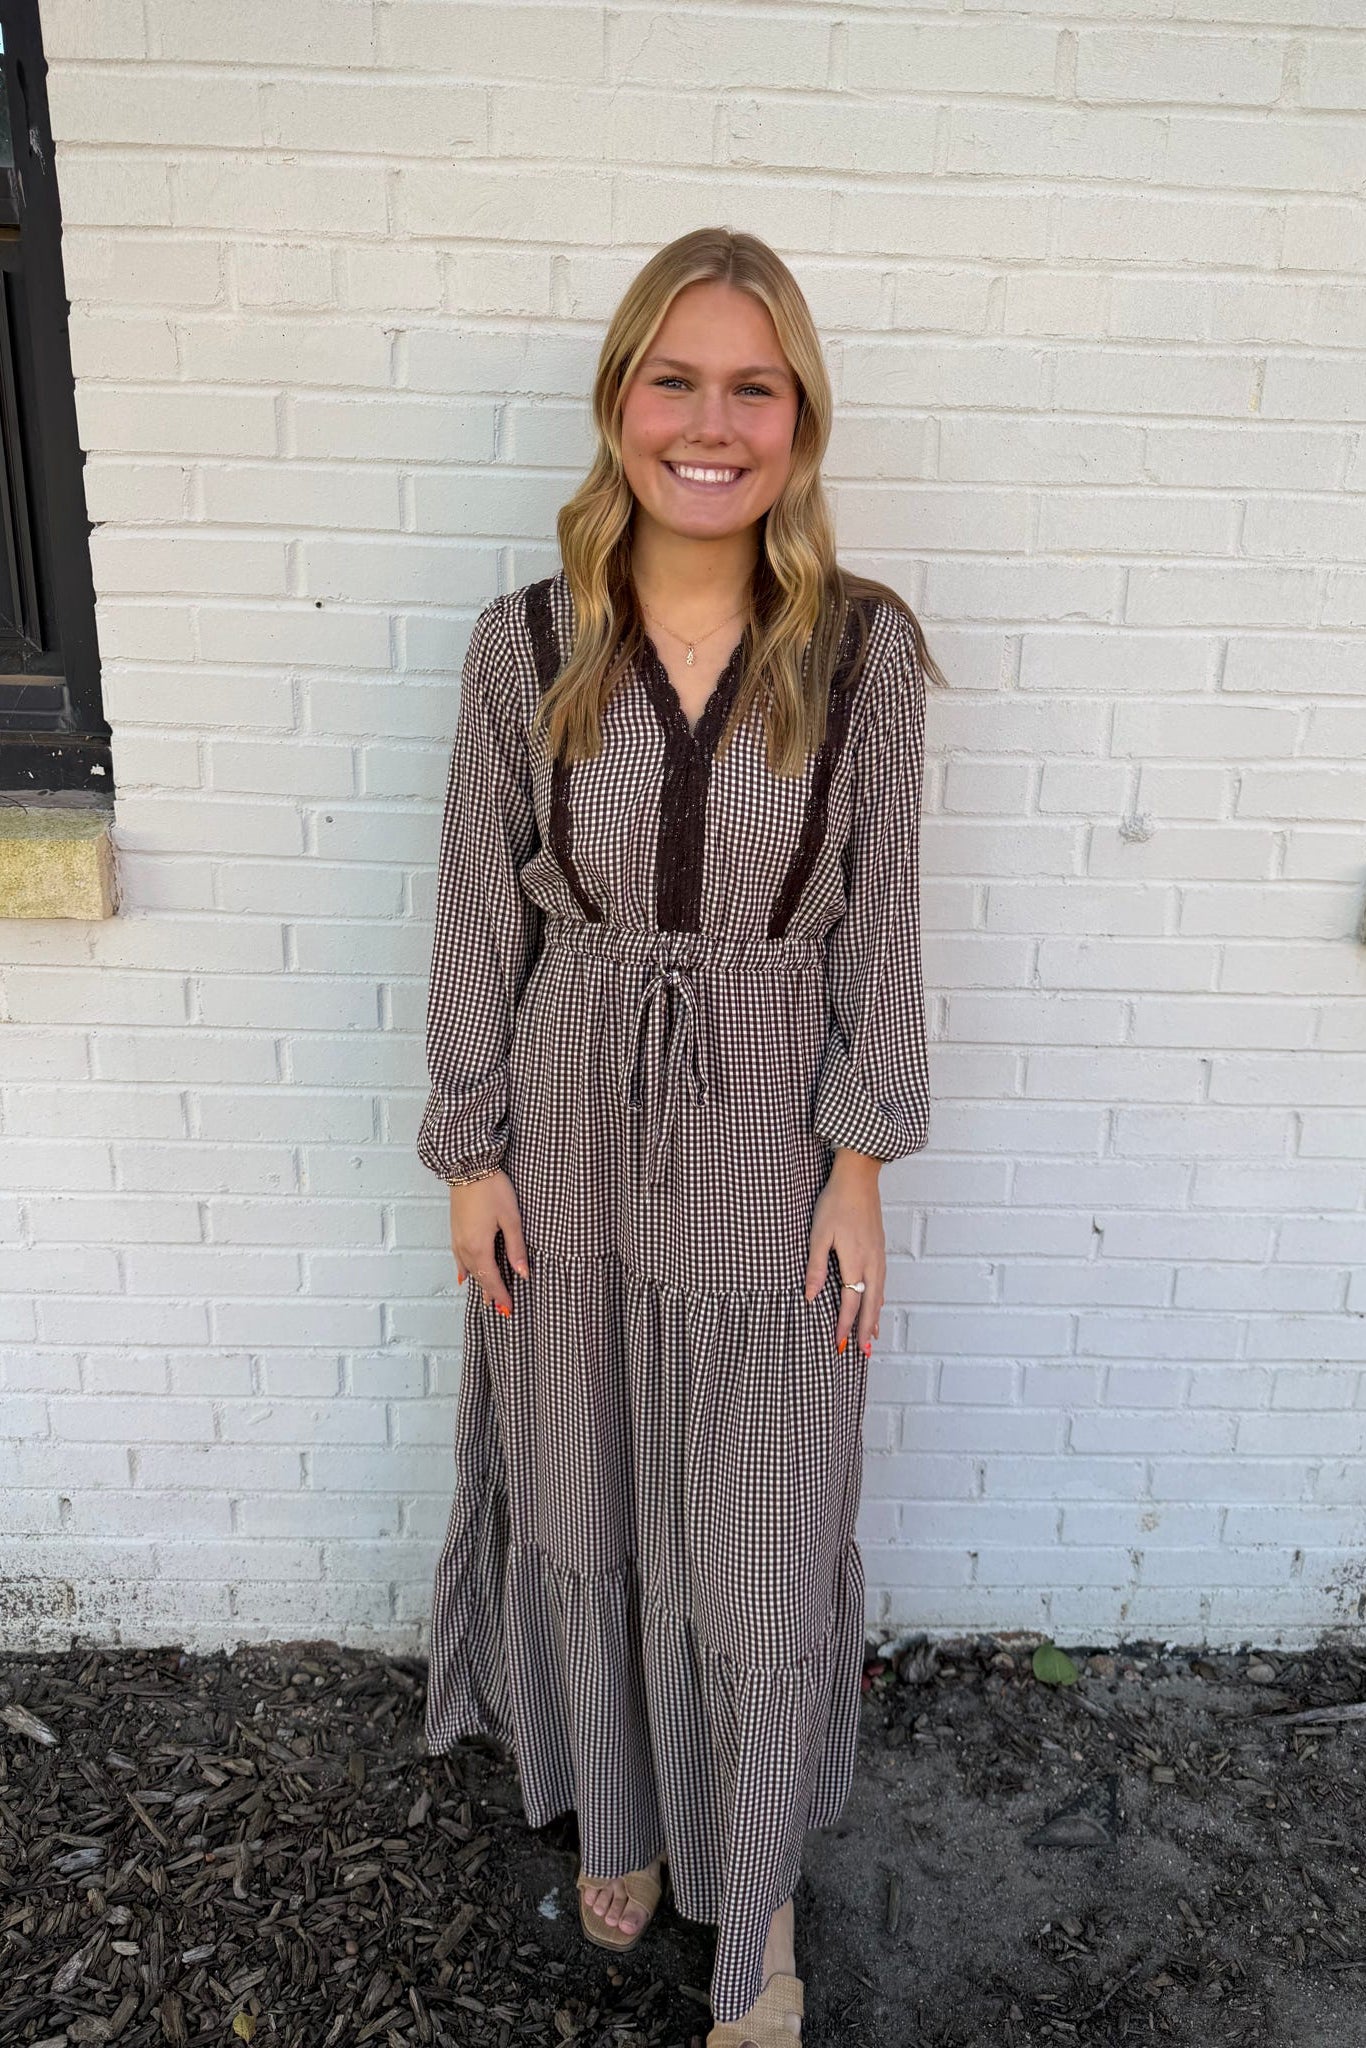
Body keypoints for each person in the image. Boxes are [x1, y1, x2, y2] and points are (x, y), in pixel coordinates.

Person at [416, 224, 942, 2048]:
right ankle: (622, 1819)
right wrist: (471, 1150)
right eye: (675, 381)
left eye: (751, 389)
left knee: (759, 1542)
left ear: (797, 420)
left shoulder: (862, 653)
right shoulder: (523, 645)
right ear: (618, 400)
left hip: (771, 1121)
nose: (709, 426)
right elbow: (475, 909)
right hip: (565, 1113)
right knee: (584, 1491)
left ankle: (757, 1896)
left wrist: (858, 1166)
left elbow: (882, 925)